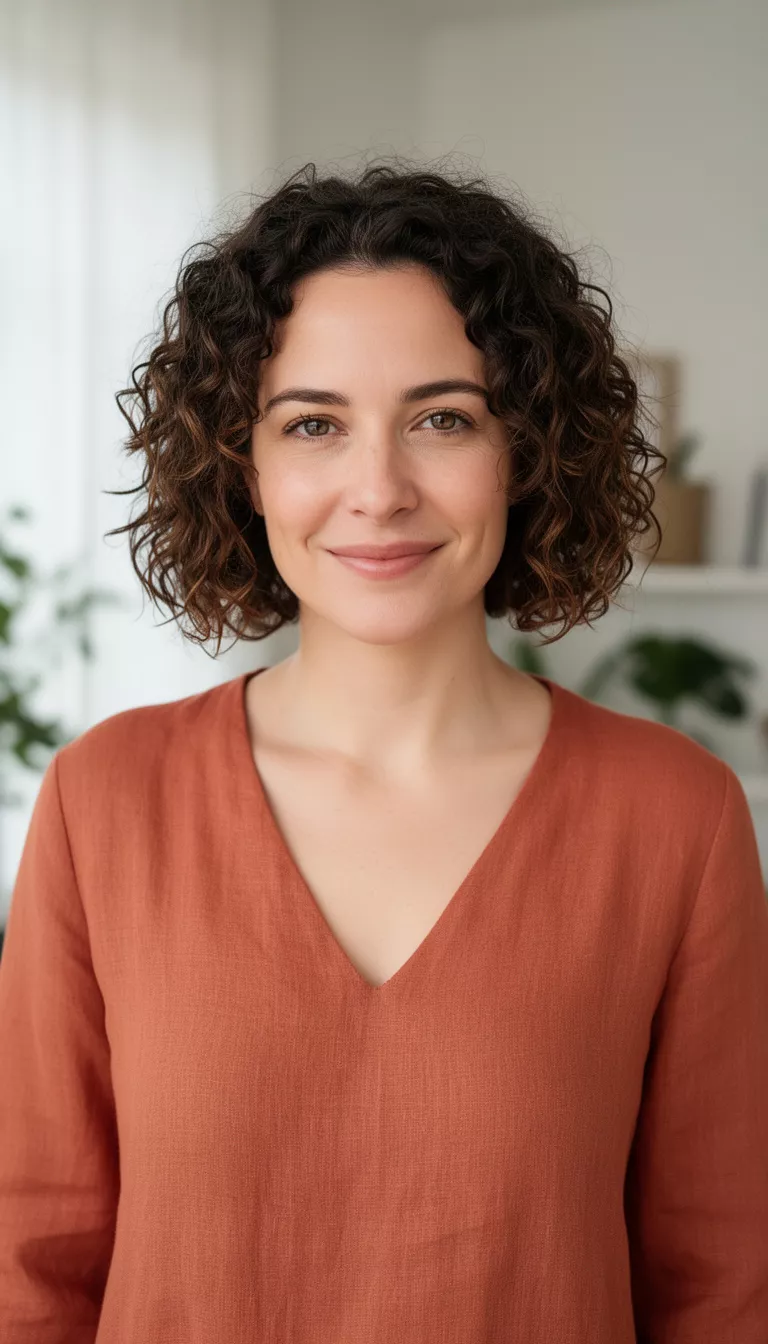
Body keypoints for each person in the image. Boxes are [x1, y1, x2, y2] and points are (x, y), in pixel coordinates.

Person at [1, 157, 766, 1343]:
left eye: (443, 419)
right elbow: (30, 1265)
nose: (379, 488)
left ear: (530, 449)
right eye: (314, 424)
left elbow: (724, 1283)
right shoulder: (109, 798)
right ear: (240, 466)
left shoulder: (676, 815)